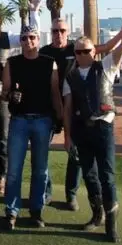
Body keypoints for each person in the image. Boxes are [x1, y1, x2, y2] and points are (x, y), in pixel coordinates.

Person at [62, 2, 122, 243]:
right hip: (81, 129)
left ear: (94, 52)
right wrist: (67, 136)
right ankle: (97, 215)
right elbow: (67, 107)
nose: (82, 55)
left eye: (86, 51)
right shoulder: (70, 76)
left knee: (107, 175)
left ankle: (111, 224)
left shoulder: (106, 67)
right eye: (78, 51)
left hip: (103, 127)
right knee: (89, 175)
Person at [0, 0, 41, 193]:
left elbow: (32, 34)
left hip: (2, 96)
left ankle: (1, 177)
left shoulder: (7, 38)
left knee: (2, 139)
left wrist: (33, 12)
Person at [1, 25, 62, 230]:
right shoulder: (12, 62)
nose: (29, 41)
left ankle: (36, 210)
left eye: (32, 37)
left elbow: (55, 93)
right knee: (14, 170)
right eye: (25, 38)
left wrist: (60, 117)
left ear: (38, 39)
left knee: (40, 170)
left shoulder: (49, 63)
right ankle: (11, 211)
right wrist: (10, 96)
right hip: (19, 120)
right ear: (21, 40)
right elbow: (4, 92)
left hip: (43, 120)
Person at [38, 18, 81, 211]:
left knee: (75, 153)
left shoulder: (76, 50)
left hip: (74, 109)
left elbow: (104, 47)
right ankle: (45, 192)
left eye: (62, 31)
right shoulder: (44, 52)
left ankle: (71, 194)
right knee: (42, 152)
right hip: (49, 109)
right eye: (55, 31)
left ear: (68, 32)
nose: (58, 34)